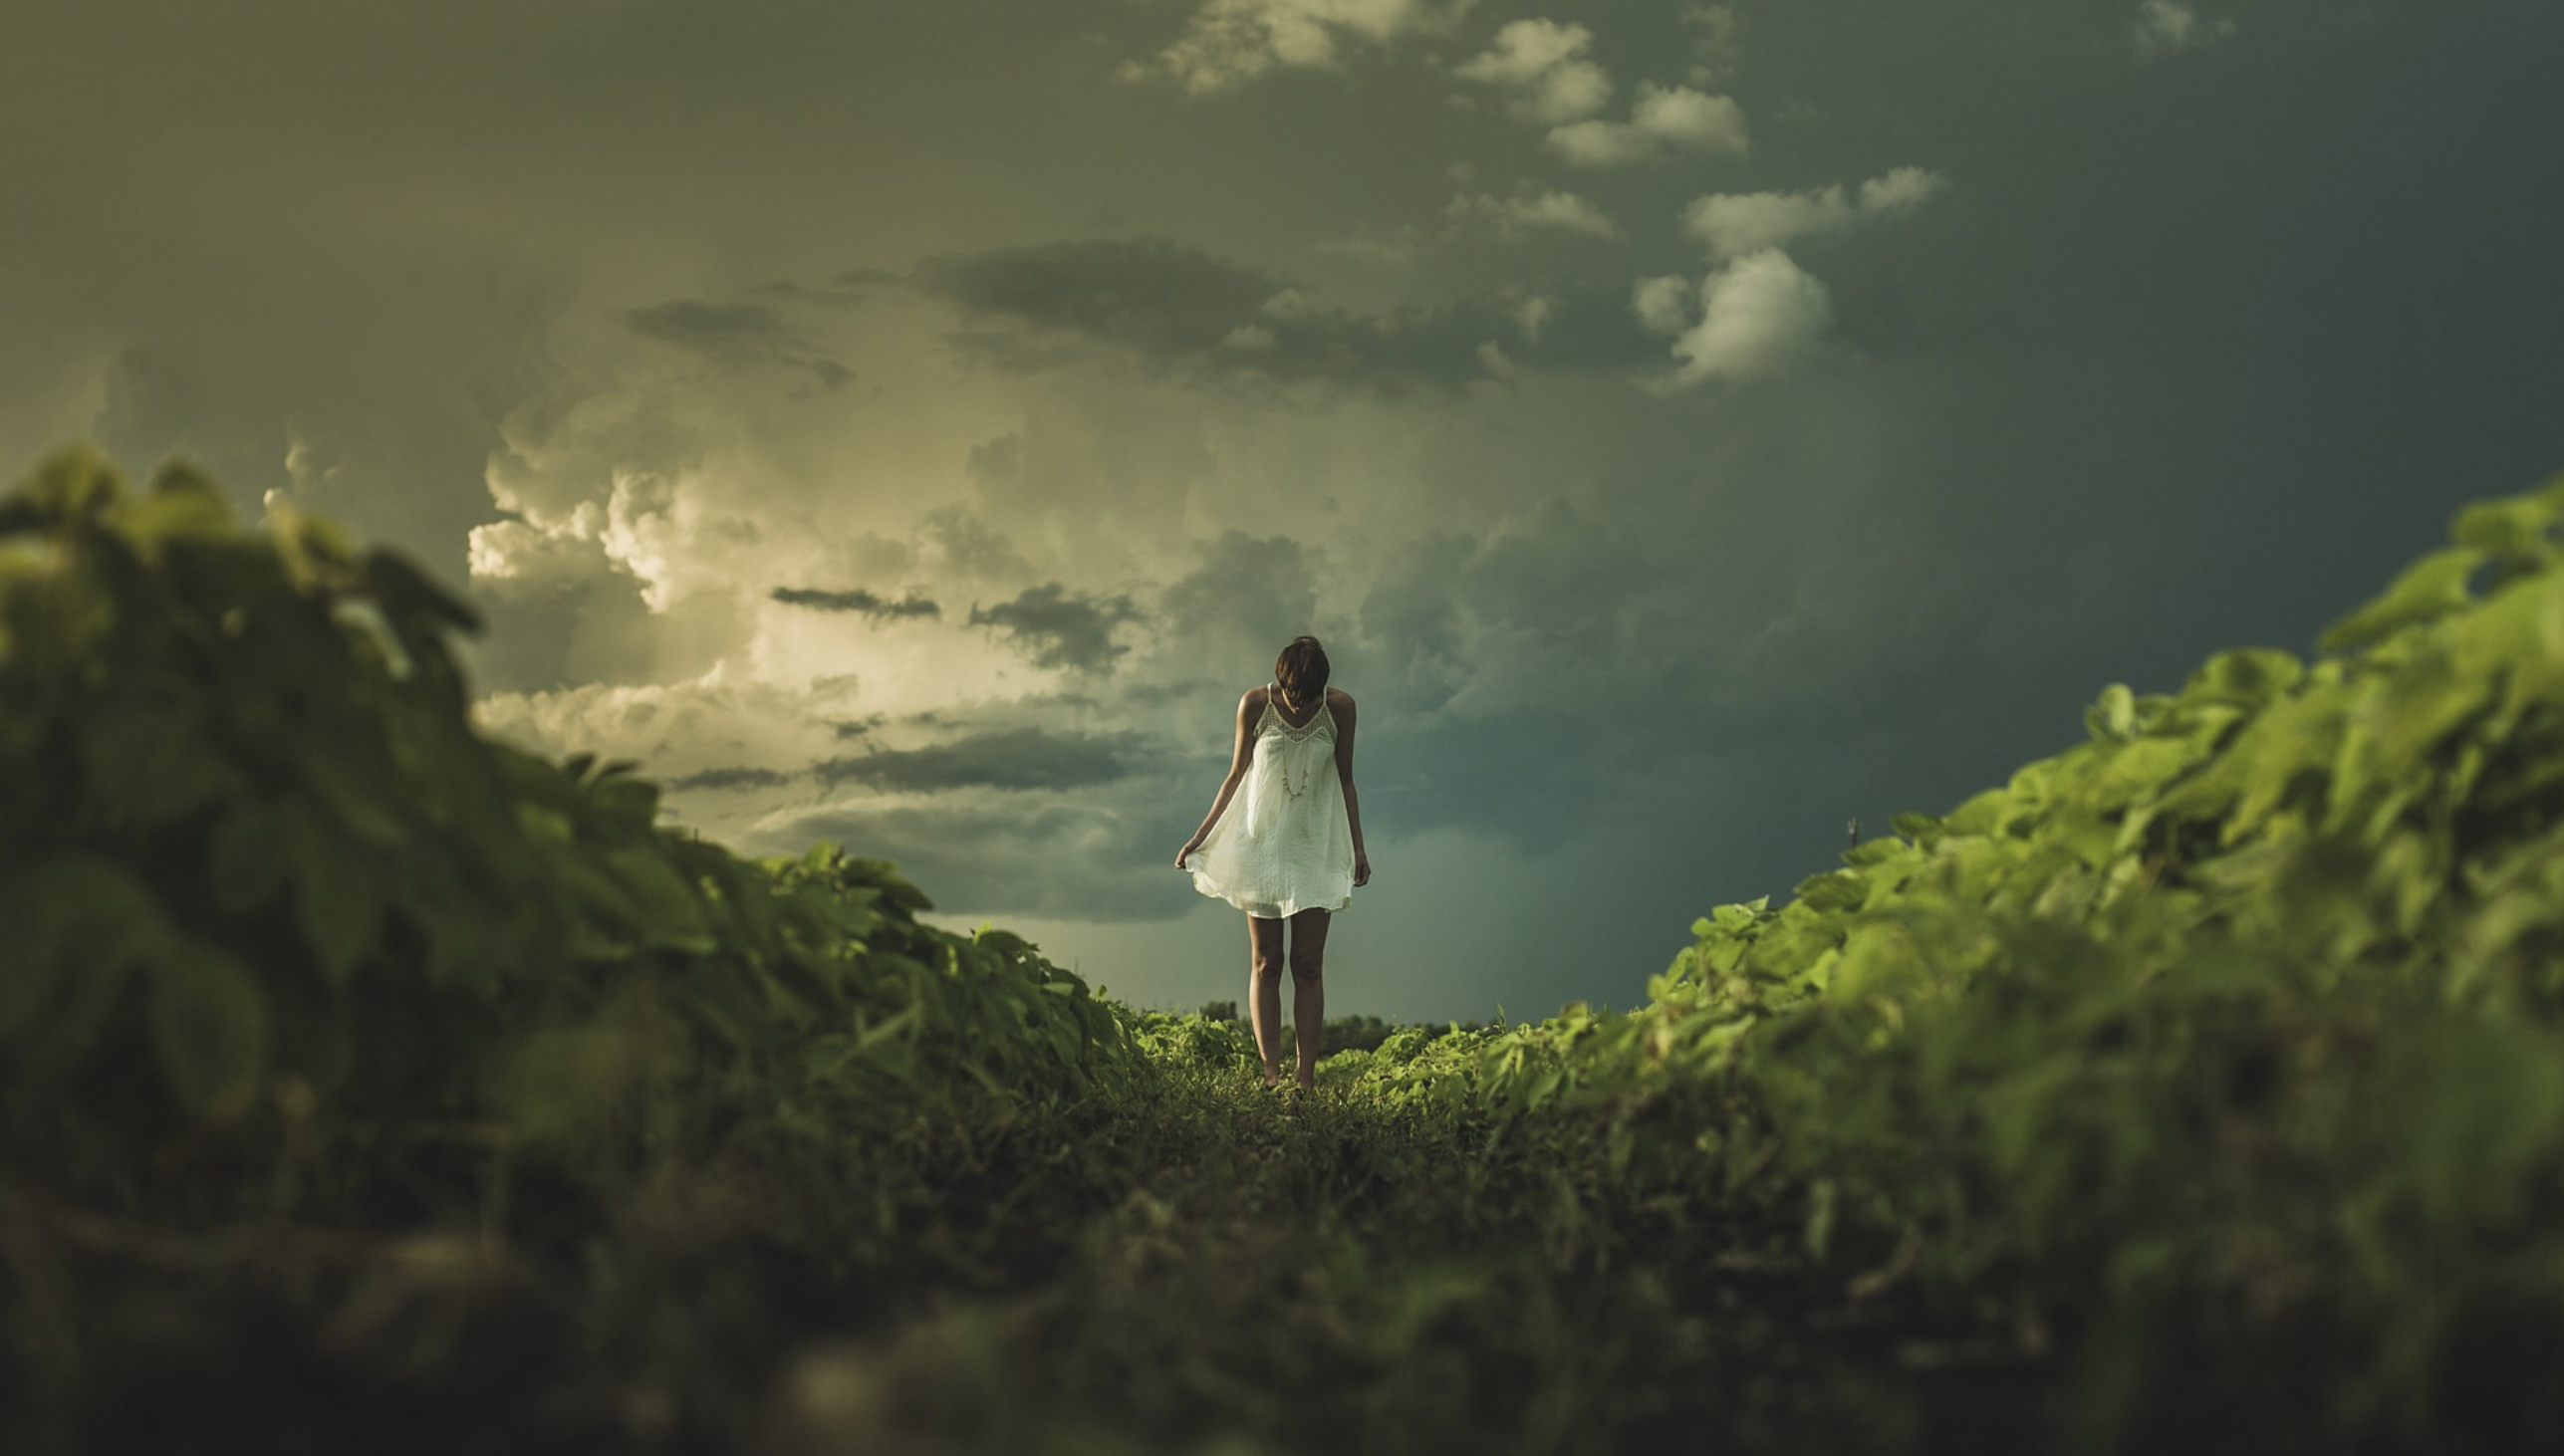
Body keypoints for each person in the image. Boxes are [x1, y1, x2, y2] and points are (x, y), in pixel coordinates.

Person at [1175, 635, 1371, 1092]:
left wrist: (1359, 848)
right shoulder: (1254, 704)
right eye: (1291, 691)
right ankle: (1271, 1078)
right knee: (1267, 962)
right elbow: (1235, 774)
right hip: (1260, 849)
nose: (1297, 701)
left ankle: (1304, 1083)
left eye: (1307, 694)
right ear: (1281, 678)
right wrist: (1198, 838)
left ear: (1322, 684)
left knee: (1308, 964)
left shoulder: (1340, 709)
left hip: (1314, 848)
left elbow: (1346, 780)